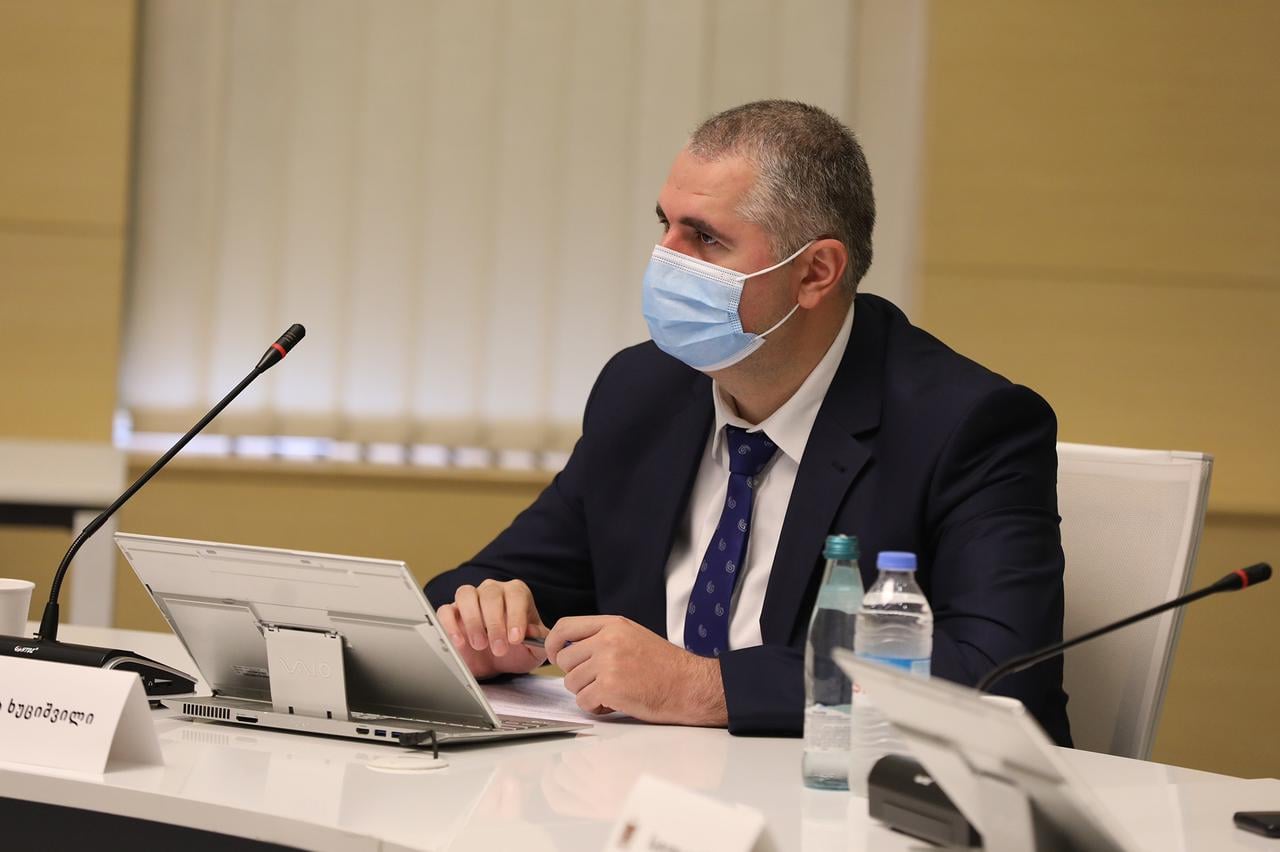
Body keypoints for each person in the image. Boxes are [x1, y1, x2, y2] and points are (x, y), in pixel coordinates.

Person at [425, 100, 1071, 746]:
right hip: (640, 783)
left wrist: (703, 687)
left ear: (815, 272)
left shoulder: (966, 425)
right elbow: (482, 586)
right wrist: (477, 626)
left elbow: (998, 677)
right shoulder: (643, 391)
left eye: (705, 238)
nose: (665, 260)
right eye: (666, 225)